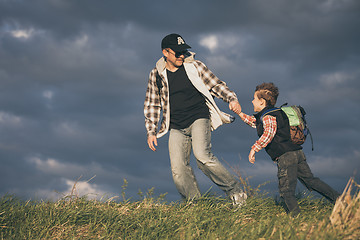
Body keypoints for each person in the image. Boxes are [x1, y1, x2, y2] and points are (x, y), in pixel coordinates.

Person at [144, 33, 247, 206]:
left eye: (183, 51)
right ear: (165, 53)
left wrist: (231, 99)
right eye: (177, 53)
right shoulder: (157, 75)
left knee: (203, 157)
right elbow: (152, 103)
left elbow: (216, 85)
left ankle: (236, 192)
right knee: (178, 169)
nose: (181, 55)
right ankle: (195, 205)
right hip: (176, 126)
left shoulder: (195, 67)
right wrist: (151, 131)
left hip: (198, 117)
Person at [238, 82, 340, 215]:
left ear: (262, 102)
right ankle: (340, 199)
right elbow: (255, 122)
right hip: (297, 153)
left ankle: (296, 218)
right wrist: (239, 114)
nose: (252, 101)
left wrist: (254, 149)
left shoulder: (268, 116)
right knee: (311, 181)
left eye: (254, 99)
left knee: (286, 191)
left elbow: (268, 133)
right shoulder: (275, 113)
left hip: (286, 157)